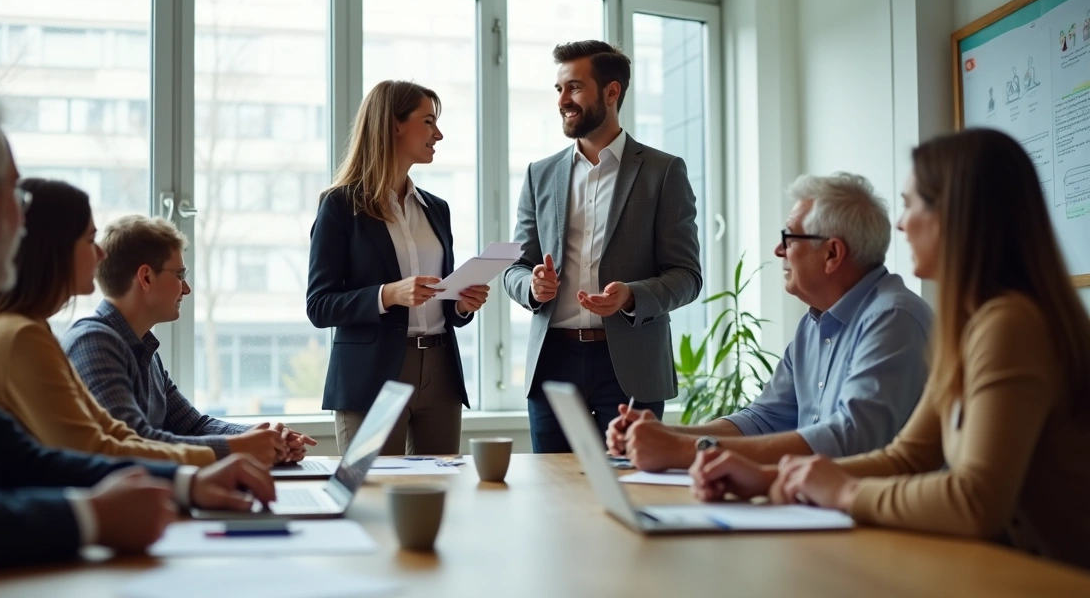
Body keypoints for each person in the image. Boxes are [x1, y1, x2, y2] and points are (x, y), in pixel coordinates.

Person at [0, 76, 275, 597]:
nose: (24, 218)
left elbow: (20, 457)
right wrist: (89, 519)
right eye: (17, 192)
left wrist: (184, 483)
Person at [690, 129, 1090, 569]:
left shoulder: (1011, 324)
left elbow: (976, 499)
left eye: (910, 204)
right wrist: (770, 478)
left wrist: (842, 491)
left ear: (955, 215)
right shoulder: (974, 326)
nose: (900, 224)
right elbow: (908, 455)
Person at [607, 173, 932, 470]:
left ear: (832, 254)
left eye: (789, 238)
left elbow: (850, 439)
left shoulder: (893, 319)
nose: (778, 250)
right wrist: (659, 432)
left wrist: (683, 449)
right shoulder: (814, 323)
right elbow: (764, 418)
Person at [502, 40, 703, 453]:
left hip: (630, 366)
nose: (563, 101)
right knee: (552, 494)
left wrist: (632, 296)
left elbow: (687, 277)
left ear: (612, 93)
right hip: (552, 363)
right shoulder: (540, 174)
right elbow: (515, 268)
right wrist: (531, 286)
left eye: (574, 88)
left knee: (629, 489)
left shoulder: (664, 172)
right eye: (558, 89)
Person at [0, 179, 215, 465]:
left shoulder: (26, 330)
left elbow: (114, 434)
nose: (101, 254)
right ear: (55, 249)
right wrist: (218, 457)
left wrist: (233, 450)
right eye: (89, 240)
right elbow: (98, 450)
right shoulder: (22, 337)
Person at [306, 80, 489, 456]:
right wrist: (389, 294)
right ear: (394, 125)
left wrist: (461, 304)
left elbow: (442, 303)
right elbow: (319, 305)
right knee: (371, 494)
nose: (438, 134)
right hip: (371, 375)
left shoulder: (436, 209)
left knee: (439, 494)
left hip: (440, 371)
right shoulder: (340, 206)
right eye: (428, 121)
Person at [62, 215, 312, 466]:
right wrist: (242, 447)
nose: (186, 289)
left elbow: (193, 426)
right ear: (146, 278)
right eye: (179, 274)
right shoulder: (94, 343)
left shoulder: (143, 347)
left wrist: (261, 435)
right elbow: (136, 443)